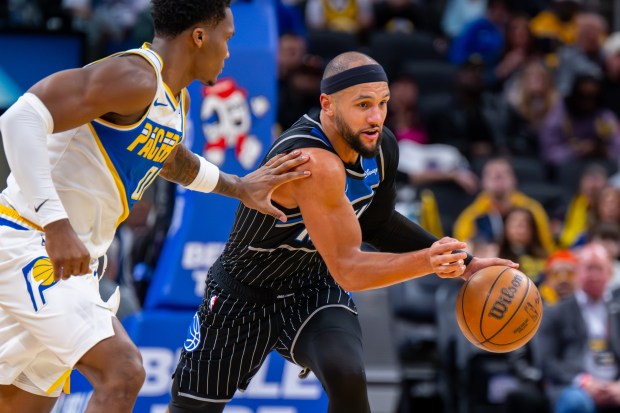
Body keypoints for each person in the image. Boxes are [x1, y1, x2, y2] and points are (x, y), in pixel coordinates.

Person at [0, 1, 312, 412]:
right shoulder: (134, 76)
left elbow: (170, 159)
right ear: (199, 36)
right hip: (33, 242)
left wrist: (239, 186)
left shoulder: (174, 101)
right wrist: (56, 224)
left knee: (19, 403)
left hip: (73, 263)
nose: (229, 51)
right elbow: (20, 118)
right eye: (227, 38)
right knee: (124, 371)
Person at [168, 51, 517, 413]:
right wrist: (429, 261)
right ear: (328, 105)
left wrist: (465, 263)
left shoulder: (381, 149)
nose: (376, 117)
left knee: (347, 374)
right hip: (244, 290)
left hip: (310, 284)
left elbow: (378, 224)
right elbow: (348, 269)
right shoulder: (312, 162)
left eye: (382, 103)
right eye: (363, 104)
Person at [537, 242, 620, 413]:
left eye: (599, 269)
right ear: (578, 272)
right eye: (589, 268)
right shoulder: (555, 312)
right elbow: (546, 362)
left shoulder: (617, 310)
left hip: (615, 385)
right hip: (573, 387)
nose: (594, 275)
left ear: (610, 273)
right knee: (577, 403)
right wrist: (583, 381)